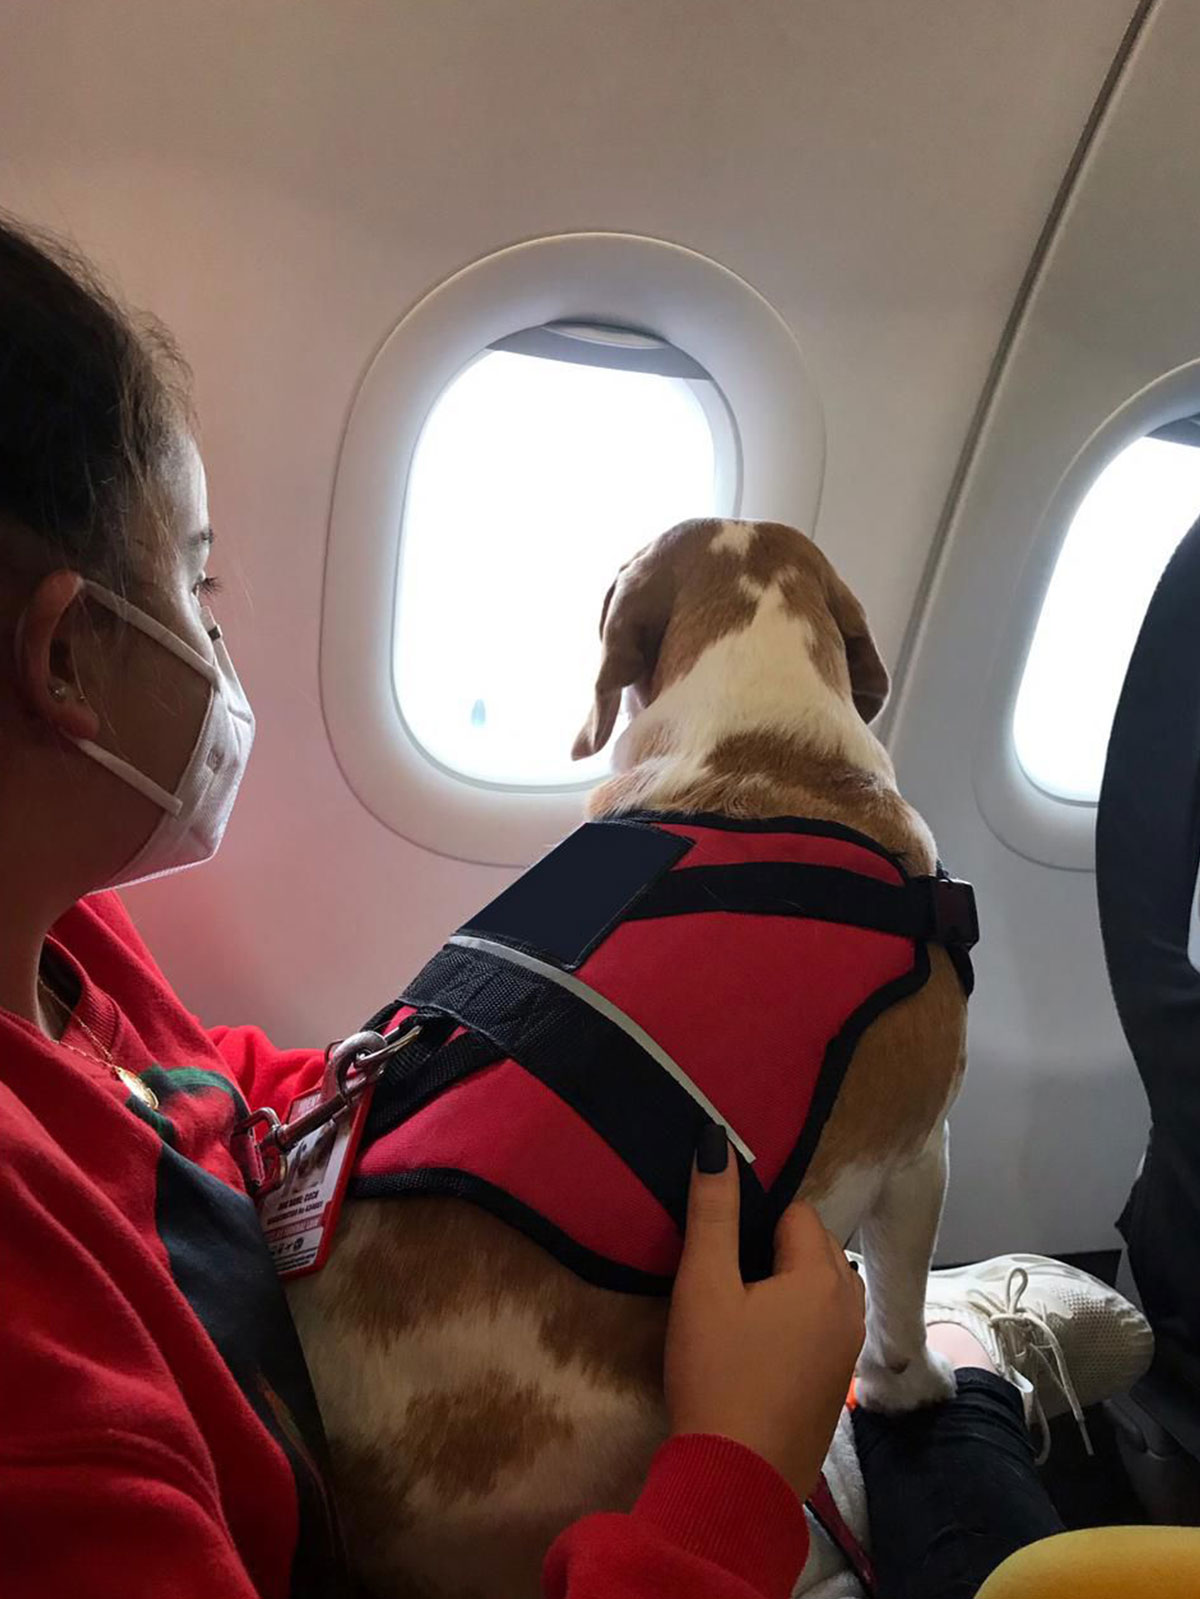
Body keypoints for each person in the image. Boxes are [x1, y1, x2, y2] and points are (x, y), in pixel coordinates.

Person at [0, 212, 1194, 1599]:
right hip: (490, 1534)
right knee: (987, 1515)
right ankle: (942, 1372)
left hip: (368, 1347)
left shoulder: (59, 945)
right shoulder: (38, 1404)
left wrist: (482, 1085)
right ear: (66, 656)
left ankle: (930, 1373)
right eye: (199, 587)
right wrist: (735, 1466)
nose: (219, 640)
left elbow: (206, 1113)